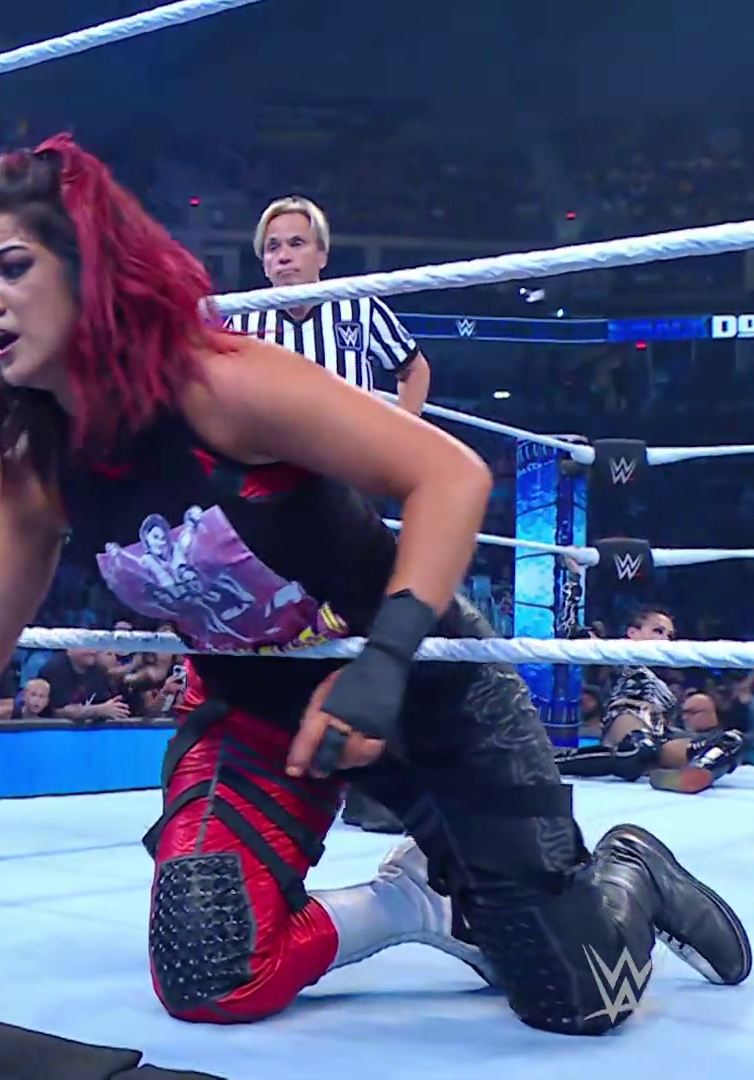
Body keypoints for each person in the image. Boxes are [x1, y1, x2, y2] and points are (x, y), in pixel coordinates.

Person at [0, 135, 750, 1036]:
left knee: (573, 998)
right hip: (260, 716)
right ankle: (417, 903)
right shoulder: (38, 460)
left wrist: (382, 666)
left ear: (91, 271)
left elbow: (448, 475)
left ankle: (632, 867)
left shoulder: (217, 382)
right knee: (210, 968)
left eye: (13, 266)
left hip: (422, 686)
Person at [229, 194, 433, 835]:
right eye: (273, 248)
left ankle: (376, 780)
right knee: (282, 624)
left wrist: (398, 435)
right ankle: (282, 773)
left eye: (295, 244)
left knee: (363, 623)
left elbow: (413, 368)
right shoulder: (242, 319)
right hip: (271, 493)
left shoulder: (358, 307)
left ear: (321, 253)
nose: (283, 257)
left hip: (345, 489)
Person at [553, 607, 748, 793]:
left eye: (670, 636)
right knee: (642, 747)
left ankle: (691, 774)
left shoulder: (670, 678)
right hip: (627, 721)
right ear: (632, 633)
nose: (665, 640)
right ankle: (556, 761)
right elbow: (584, 638)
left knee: (732, 741)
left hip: (661, 734)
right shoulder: (619, 655)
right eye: (658, 631)